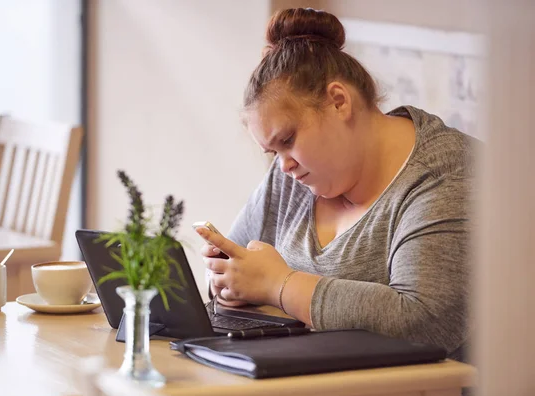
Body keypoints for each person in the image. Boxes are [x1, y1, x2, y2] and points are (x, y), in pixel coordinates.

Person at [196, 7, 477, 363]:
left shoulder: (448, 172)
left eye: (288, 140)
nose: (284, 165)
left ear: (338, 101)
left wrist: (277, 286)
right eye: (272, 152)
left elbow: (424, 322)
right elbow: (238, 269)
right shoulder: (294, 173)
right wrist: (228, 283)